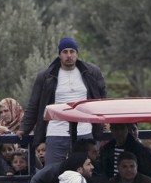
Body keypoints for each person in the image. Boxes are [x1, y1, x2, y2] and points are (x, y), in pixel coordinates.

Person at [17, 37, 107, 165]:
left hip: (84, 132)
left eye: (72, 51)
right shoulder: (46, 76)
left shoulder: (91, 72)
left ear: (77, 53)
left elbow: (102, 99)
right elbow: (34, 104)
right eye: (65, 52)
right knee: (54, 173)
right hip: (56, 133)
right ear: (59, 54)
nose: (69, 55)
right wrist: (24, 127)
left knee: (85, 172)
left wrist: (105, 121)